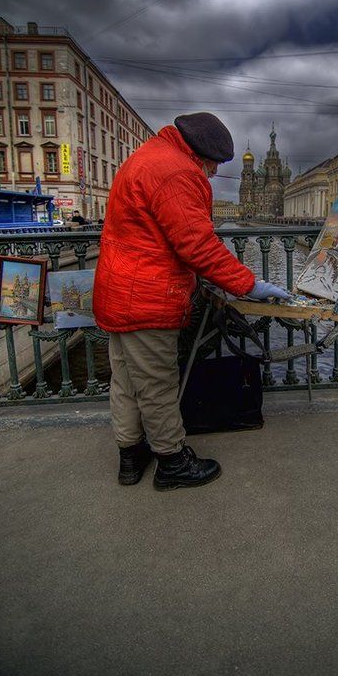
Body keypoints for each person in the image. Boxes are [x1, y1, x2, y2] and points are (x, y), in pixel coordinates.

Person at [93, 112, 290, 492]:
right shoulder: (175, 171)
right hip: (146, 296)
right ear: (199, 152)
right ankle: (172, 462)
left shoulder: (147, 155)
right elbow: (197, 245)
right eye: (214, 163)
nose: (215, 172)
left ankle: (131, 456)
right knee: (158, 383)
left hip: (119, 291)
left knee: (126, 381)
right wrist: (249, 284)